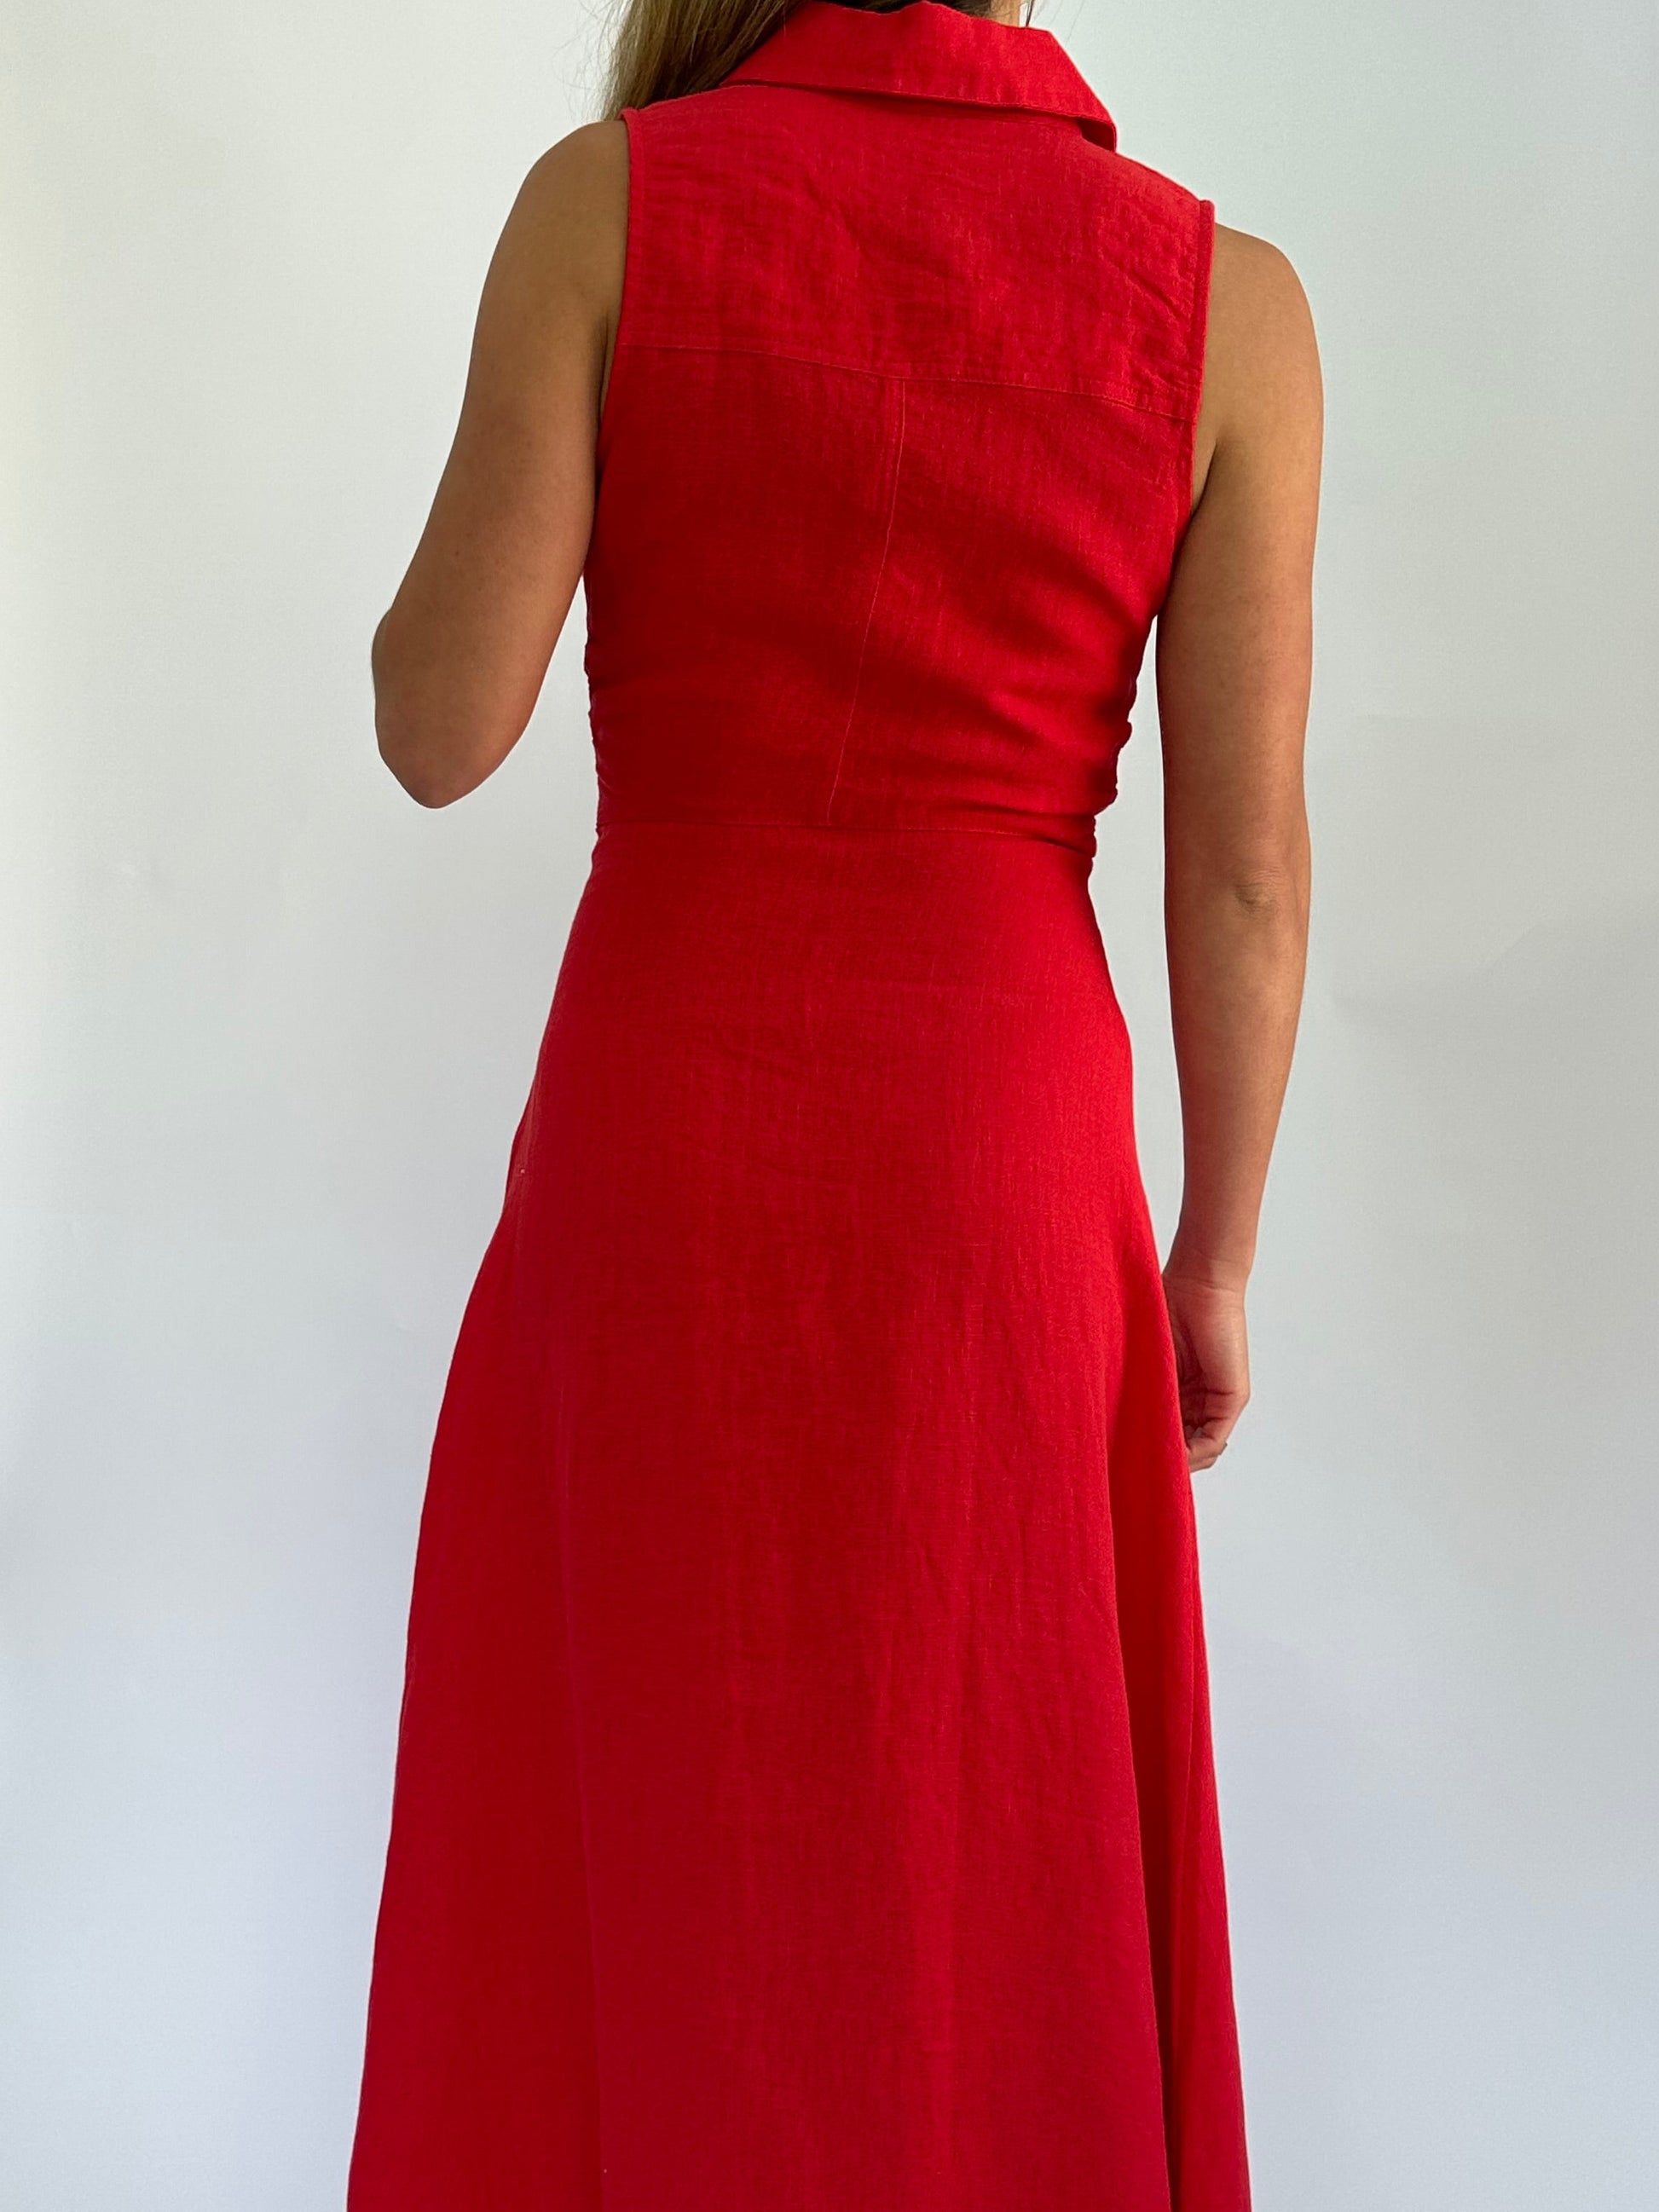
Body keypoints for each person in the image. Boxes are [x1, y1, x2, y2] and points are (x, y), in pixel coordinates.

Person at [346, 2, 1320, 2206]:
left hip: (669, 1121)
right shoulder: (1222, 304)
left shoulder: (607, 213)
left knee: (640, 1809)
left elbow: (437, 722)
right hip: (1006, 1148)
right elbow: (1242, 866)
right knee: (981, 1831)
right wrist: (1216, 1254)